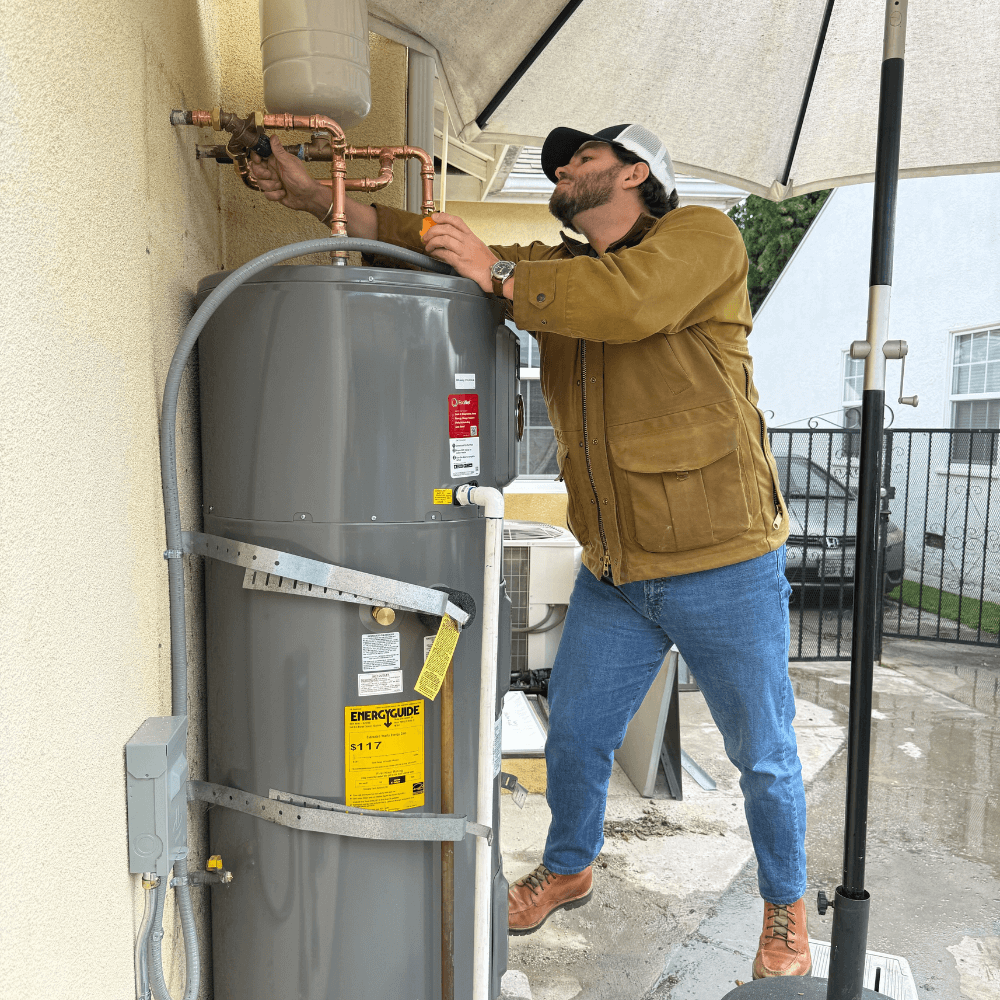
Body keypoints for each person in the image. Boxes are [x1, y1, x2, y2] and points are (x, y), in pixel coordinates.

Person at [249, 123, 811, 980]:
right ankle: (570, 865)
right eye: (556, 166)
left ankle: (785, 910)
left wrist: (500, 273)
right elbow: (438, 246)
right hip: (618, 572)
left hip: (722, 561)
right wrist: (318, 197)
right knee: (575, 737)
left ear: (634, 172)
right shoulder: (563, 272)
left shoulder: (703, 238)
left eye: (582, 159)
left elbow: (631, 302)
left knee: (763, 758)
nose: (563, 170)